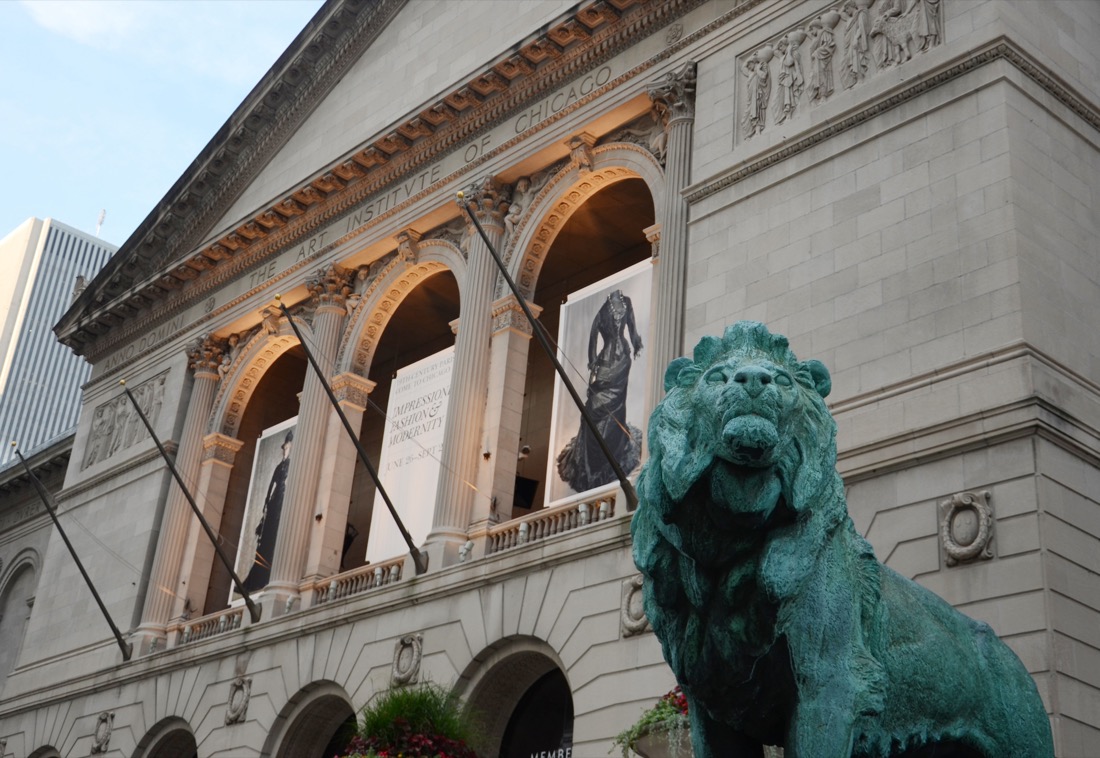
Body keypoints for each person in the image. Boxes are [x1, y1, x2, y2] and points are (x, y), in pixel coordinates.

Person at [556, 289, 643, 494]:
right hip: (607, 361)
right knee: (594, 408)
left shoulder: (626, 302)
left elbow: (631, 328)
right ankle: (595, 456)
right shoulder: (603, 310)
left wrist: (636, 343)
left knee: (617, 403)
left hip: (621, 361)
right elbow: (593, 337)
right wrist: (593, 361)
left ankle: (615, 444)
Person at [243, 429, 292, 593]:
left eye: (288, 447)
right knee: (267, 538)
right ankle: (260, 576)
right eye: (285, 448)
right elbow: (271, 485)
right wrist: (265, 503)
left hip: (284, 500)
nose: (286, 450)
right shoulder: (279, 466)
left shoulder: (292, 464)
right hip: (274, 502)